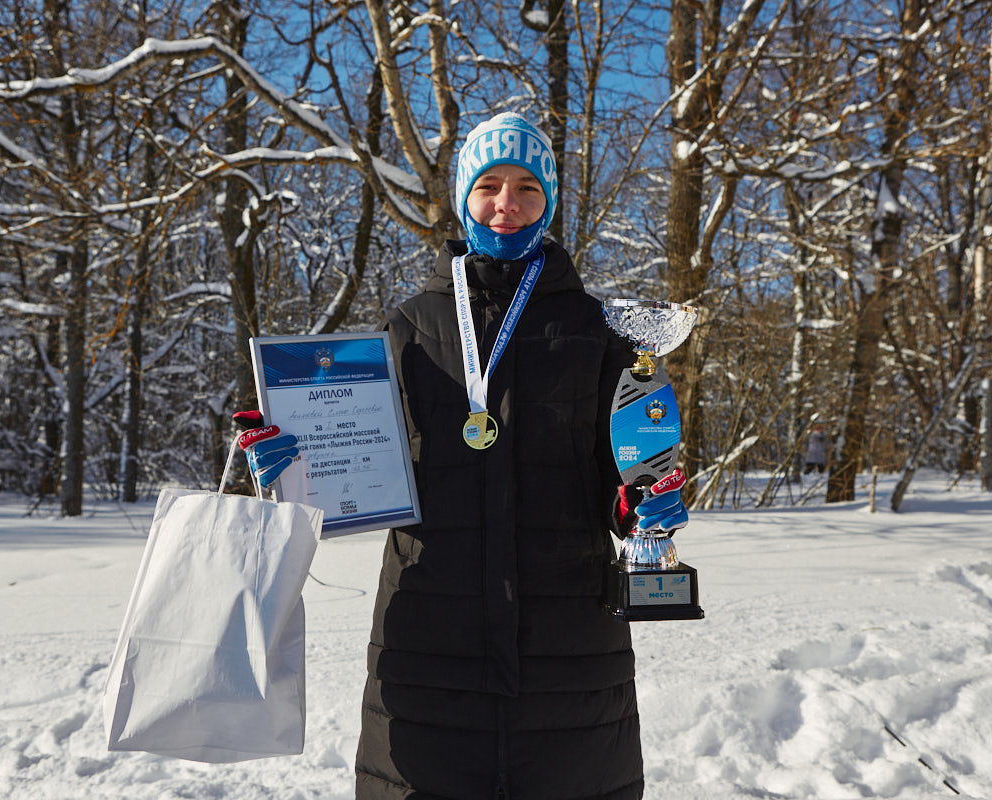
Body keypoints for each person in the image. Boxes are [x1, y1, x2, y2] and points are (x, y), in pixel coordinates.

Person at [241, 113, 688, 799]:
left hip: (568, 652)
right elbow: (356, 462)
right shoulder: (412, 327)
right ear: (461, 196)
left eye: (526, 188)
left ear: (551, 202)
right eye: (488, 185)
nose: (506, 204)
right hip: (427, 644)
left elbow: (623, 472)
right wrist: (289, 459)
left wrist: (639, 500)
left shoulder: (596, 332)